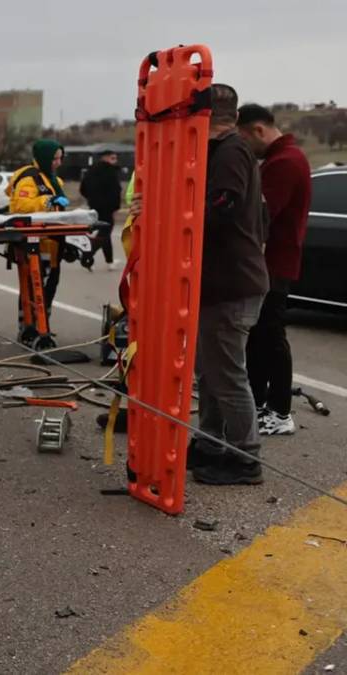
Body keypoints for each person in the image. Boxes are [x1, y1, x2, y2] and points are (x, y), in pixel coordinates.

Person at [188, 84, 269, 486]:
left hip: (233, 285)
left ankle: (245, 457)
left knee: (228, 376)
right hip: (225, 283)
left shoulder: (231, 152)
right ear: (234, 116)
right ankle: (210, 443)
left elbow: (224, 205)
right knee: (211, 372)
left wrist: (180, 215)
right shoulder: (223, 150)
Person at [237, 103, 312, 437]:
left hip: (273, 264)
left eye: (243, 139)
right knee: (259, 338)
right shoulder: (284, 158)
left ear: (258, 130)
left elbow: (260, 217)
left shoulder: (284, 163)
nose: (245, 148)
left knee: (270, 336)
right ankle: (259, 403)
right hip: (271, 263)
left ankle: (280, 412)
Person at [7, 139, 69, 344]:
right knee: (34, 287)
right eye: (55, 159)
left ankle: (43, 325)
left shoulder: (54, 180)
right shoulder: (28, 179)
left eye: (60, 158)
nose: (58, 163)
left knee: (49, 286)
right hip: (35, 244)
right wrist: (48, 201)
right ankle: (29, 328)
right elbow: (21, 206)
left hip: (52, 244)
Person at [79, 148, 122, 270]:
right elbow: (115, 191)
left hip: (95, 206)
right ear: (105, 158)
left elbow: (83, 188)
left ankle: (109, 261)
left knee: (105, 233)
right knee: (105, 232)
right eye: (112, 158)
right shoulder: (110, 171)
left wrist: (92, 199)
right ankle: (88, 255)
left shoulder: (91, 170)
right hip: (108, 207)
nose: (115, 161)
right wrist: (115, 206)